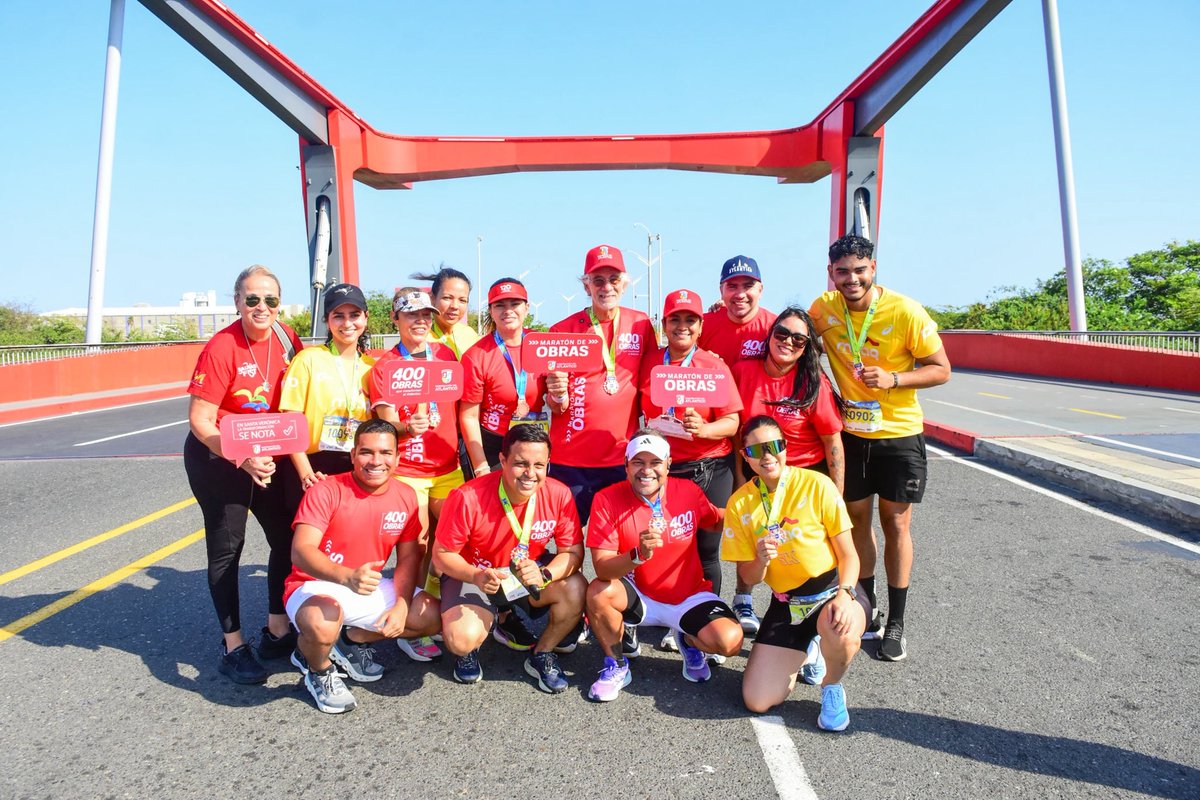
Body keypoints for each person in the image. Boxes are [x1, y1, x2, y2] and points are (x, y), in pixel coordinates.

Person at [808, 234, 951, 661]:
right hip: (851, 436)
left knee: (896, 526)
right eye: (842, 271)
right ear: (830, 273)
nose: (851, 279)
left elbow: (942, 369)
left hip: (899, 435)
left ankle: (898, 621)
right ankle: (866, 607)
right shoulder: (824, 308)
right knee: (854, 522)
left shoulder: (906, 310)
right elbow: (797, 334)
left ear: (874, 269)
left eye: (859, 270)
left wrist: (894, 379)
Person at [183, 264, 304, 683]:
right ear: (237, 302)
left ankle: (277, 627)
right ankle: (232, 644)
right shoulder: (222, 347)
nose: (261, 307)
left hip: (268, 455)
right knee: (227, 547)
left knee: (286, 536)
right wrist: (242, 456)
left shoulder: (288, 338)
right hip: (219, 457)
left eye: (270, 299)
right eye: (252, 299)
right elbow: (200, 420)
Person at [722, 416, 869, 731]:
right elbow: (749, 576)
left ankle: (831, 686)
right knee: (756, 700)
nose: (767, 456)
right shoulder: (739, 503)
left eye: (774, 446)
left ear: (785, 447)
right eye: (757, 450)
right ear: (745, 455)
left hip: (833, 591)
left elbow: (849, 555)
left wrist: (846, 593)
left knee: (839, 629)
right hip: (788, 603)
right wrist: (761, 559)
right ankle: (810, 649)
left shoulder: (816, 484)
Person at [285, 419, 440, 713]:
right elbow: (301, 551)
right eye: (367, 452)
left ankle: (349, 639)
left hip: (364, 583)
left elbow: (409, 557)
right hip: (313, 584)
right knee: (322, 622)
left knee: (432, 615)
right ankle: (318, 669)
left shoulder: (406, 495)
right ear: (353, 454)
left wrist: (403, 605)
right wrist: (346, 576)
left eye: (385, 453)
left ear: (397, 457)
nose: (376, 461)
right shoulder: (326, 489)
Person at [584, 431, 743, 702]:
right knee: (598, 592)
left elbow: (717, 520)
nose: (647, 471)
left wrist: (758, 512)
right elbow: (602, 569)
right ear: (626, 464)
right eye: (638, 462)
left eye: (655, 462)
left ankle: (688, 638)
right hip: (638, 597)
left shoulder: (688, 491)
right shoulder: (606, 499)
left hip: (688, 597)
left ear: (668, 464)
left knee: (730, 641)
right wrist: (637, 554)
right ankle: (617, 664)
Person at [432, 424, 586, 693]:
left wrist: (545, 574)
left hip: (525, 573)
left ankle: (541, 653)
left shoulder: (558, 493)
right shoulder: (466, 496)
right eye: (521, 463)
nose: (530, 474)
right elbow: (442, 556)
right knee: (462, 639)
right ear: (502, 460)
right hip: (477, 574)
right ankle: (489, 625)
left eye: (539, 465)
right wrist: (475, 576)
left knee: (576, 587)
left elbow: (573, 552)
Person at [729, 306, 845, 636]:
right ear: (770, 336)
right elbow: (736, 430)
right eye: (782, 334)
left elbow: (832, 443)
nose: (788, 342)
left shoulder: (813, 383)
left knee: (799, 546)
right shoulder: (743, 371)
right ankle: (743, 599)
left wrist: (835, 496)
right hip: (756, 471)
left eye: (798, 338)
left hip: (804, 478)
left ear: (807, 346)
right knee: (753, 540)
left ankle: (806, 608)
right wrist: (740, 481)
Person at [638, 288, 741, 652]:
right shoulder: (650, 360)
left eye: (690, 320)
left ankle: (705, 618)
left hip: (710, 466)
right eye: (675, 319)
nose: (682, 326)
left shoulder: (713, 367)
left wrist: (705, 429)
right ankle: (663, 612)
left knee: (707, 548)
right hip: (665, 470)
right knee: (666, 545)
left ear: (700, 326)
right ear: (664, 324)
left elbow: (731, 421)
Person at [369, 288, 464, 662]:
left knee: (455, 539)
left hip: (448, 468)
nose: (421, 321)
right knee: (418, 544)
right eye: (411, 315)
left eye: (426, 314)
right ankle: (408, 618)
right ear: (396, 319)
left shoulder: (446, 355)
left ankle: (444, 608)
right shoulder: (386, 365)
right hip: (408, 470)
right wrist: (407, 426)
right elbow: (383, 421)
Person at [543, 244, 655, 525]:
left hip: (621, 458)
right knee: (570, 544)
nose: (607, 287)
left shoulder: (640, 324)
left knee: (620, 540)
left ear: (625, 283)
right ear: (586, 286)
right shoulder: (562, 330)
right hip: (571, 460)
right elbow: (554, 404)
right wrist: (557, 395)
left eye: (614, 279)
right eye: (598, 280)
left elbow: (656, 372)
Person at [279, 283, 375, 514]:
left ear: (365, 317)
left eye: (354, 315)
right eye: (338, 316)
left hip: (357, 465)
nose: (347, 323)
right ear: (327, 320)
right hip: (313, 466)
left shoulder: (373, 368)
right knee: (307, 545)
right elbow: (290, 421)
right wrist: (306, 473)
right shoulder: (308, 359)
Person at [460, 278, 544, 475]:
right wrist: (481, 465)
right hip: (493, 444)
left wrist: (560, 395)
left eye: (515, 304)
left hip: (534, 441)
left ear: (527, 307)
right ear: (491, 311)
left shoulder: (542, 345)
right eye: (500, 305)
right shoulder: (476, 356)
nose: (508, 310)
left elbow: (559, 404)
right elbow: (469, 416)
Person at [698, 255, 777, 367]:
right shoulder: (700, 325)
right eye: (732, 286)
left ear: (760, 290)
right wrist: (699, 362)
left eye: (748, 286)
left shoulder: (776, 328)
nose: (740, 295)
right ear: (721, 291)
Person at [415, 266, 481, 358]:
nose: (455, 306)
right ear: (432, 298)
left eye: (462, 300)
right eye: (447, 298)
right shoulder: (420, 339)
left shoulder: (470, 335)